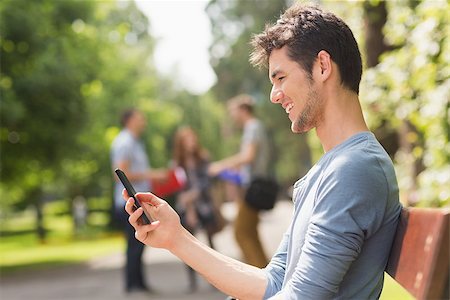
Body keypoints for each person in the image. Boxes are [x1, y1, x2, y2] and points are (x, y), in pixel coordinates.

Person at [123, 4, 402, 299]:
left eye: (280, 78)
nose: (274, 95)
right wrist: (176, 238)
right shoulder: (332, 169)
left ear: (322, 66)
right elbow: (277, 280)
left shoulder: (353, 170)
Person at [209, 94, 272, 268]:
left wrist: (220, 166)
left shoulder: (252, 127)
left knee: (241, 232)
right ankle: (267, 273)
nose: (232, 115)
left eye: (233, 111)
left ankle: (261, 280)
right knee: (250, 231)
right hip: (253, 185)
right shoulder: (254, 127)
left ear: (243, 110)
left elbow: (248, 157)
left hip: (254, 188)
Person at [110, 108, 167, 293]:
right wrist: (152, 174)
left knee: (139, 243)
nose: (143, 120)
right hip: (127, 203)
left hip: (138, 201)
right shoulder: (124, 142)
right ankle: (132, 285)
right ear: (130, 120)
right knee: (134, 244)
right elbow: (120, 173)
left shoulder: (135, 142)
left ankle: (138, 283)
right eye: (140, 117)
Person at [172, 126, 220, 291]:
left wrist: (193, 194)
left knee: (210, 243)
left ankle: (216, 279)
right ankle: (192, 282)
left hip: (204, 205)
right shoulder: (177, 164)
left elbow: (207, 182)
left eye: (192, 138)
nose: (191, 142)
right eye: (187, 140)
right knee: (187, 245)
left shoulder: (203, 158)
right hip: (187, 208)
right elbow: (179, 189)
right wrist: (190, 207)